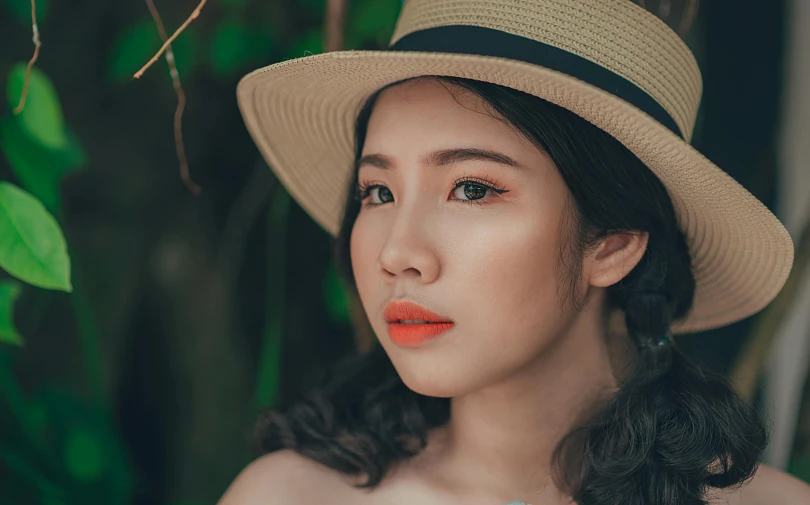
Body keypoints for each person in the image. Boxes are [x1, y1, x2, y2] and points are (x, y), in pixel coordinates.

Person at [221, 0, 810, 504]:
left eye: (472, 189)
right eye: (378, 192)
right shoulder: (289, 495)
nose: (398, 252)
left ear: (614, 244)